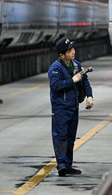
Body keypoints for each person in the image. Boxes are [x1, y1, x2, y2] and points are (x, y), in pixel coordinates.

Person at [48, 37, 93, 176]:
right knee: (60, 137)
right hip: (61, 108)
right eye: (69, 51)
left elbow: (85, 81)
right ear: (62, 55)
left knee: (70, 138)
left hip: (73, 108)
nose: (73, 52)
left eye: (72, 49)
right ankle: (61, 165)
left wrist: (90, 95)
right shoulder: (55, 68)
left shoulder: (77, 65)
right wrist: (72, 80)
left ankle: (68, 165)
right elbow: (55, 86)